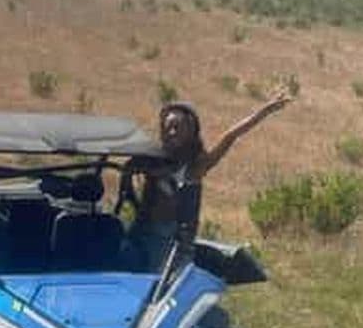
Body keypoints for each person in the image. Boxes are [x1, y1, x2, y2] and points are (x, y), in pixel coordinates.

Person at [121, 88, 294, 270]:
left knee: (156, 285)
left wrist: (265, 110)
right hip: (142, 229)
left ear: (191, 132)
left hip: (173, 242)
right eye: (167, 127)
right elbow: (128, 169)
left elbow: (231, 135)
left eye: (177, 128)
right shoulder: (152, 159)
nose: (171, 132)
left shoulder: (197, 166)